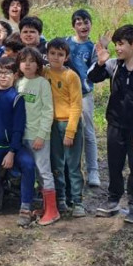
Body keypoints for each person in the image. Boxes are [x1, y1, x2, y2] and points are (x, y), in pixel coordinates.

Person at [89, 24, 133, 225]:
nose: (117, 48)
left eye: (121, 44)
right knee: (114, 165)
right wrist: (100, 63)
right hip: (115, 126)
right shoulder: (113, 65)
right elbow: (92, 78)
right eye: (116, 44)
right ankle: (113, 200)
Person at [0, 58, 35, 225]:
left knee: (28, 164)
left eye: (8, 73)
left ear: (15, 75)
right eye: (0, 73)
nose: (3, 77)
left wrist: (12, 152)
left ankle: (26, 206)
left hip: (14, 146)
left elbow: (18, 128)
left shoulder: (17, 98)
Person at [16, 47, 57, 225]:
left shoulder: (42, 83)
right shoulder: (18, 83)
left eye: (32, 61)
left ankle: (53, 211)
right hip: (22, 136)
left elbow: (48, 111)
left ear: (38, 64)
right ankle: (44, 206)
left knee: (44, 171)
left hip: (38, 136)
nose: (27, 64)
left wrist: (41, 135)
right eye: (24, 60)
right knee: (31, 171)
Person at [45, 38, 84, 217]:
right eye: (52, 53)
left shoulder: (71, 76)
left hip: (69, 123)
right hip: (51, 125)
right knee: (57, 163)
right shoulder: (44, 73)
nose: (55, 57)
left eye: (60, 54)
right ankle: (60, 197)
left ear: (66, 57)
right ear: (47, 55)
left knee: (73, 164)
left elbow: (76, 105)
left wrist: (70, 130)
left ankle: (77, 201)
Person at [67, 9, 100, 187]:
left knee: (88, 132)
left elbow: (96, 71)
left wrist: (102, 60)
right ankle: (69, 169)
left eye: (86, 22)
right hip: (65, 94)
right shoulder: (65, 43)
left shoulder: (94, 47)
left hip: (85, 94)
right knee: (67, 130)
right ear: (74, 26)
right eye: (78, 22)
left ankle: (93, 171)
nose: (83, 25)